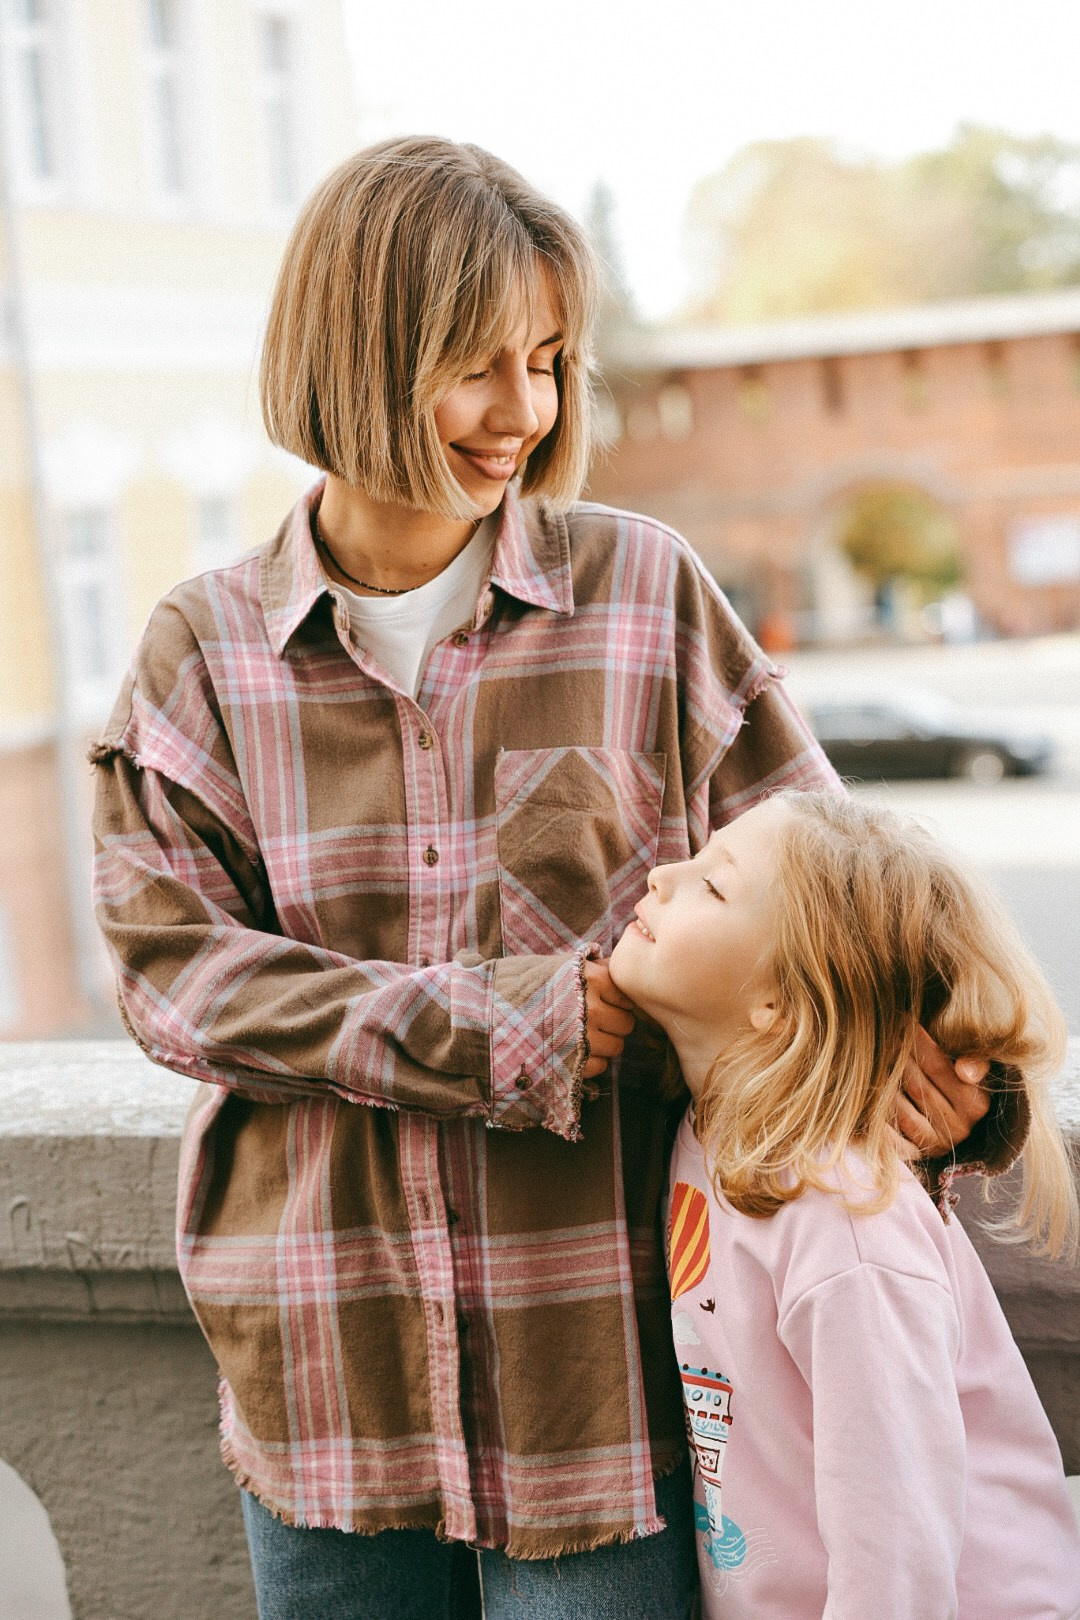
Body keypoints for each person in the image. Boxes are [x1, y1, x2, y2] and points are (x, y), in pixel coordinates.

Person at [90, 138, 991, 1619]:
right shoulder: (205, 650)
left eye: (552, 362)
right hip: (329, 1378)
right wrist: (502, 1026)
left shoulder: (647, 595)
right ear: (355, 356)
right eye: (475, 367)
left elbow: (836, 893)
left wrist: (921, 1054)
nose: (525, 412)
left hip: (605, 1383)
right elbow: (173, 979)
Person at [609, 789, 1080, 1619]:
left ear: (781, 1001)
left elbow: (897, 1537)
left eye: (713, 885)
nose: (661, 874)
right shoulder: (712, 1133)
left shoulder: (844, 1219)